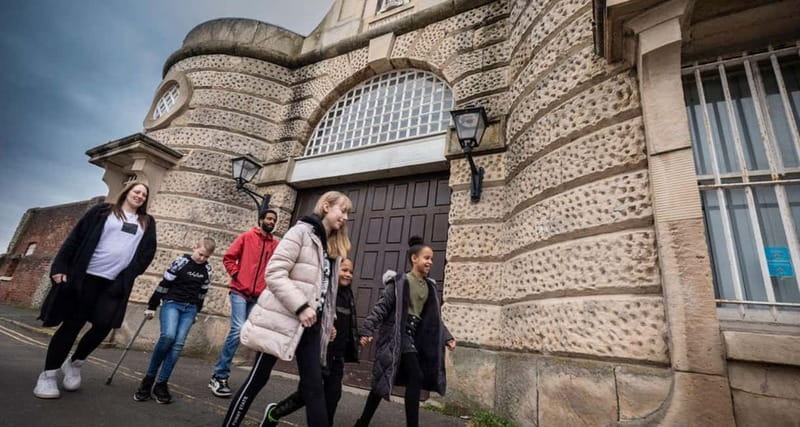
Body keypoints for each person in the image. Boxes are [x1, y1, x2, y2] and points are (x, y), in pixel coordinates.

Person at [221, 191, 352, 427]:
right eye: (342, 210)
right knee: (258, 379)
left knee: (314, 388)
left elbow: (324, 291)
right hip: (281, 319)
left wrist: (329, 320)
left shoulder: (332, 250)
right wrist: (300, 306)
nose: (345, 216)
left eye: (347, 213)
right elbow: (274, 273)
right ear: (325, 206)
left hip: (311, 326)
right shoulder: (300, 232)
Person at [34, 181, 157, 399]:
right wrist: (60, 266)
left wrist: (128, 276)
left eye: (144, 195)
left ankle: (75, 363)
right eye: (136, 191)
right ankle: (48, 376)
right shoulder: (102, 212)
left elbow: (147, 253)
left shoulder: (146, 222)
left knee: (104, 326)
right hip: (85, 278)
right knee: (71, 326)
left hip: (114, 283)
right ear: (126, 192)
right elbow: (75, 238)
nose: (140, 196)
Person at [354, 236, 456, 427]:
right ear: (414, 259)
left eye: (431, 259)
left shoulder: (430, 287)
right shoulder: (399, 282)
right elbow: (381, 308)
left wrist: (447, 337)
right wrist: (367, 329)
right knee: (415, 376)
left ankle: (362, 423)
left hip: (414, 337)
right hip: (396, 335)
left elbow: (433, 319)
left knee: (380, 385)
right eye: (426, 258)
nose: (430, 262)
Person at [260, 258, 359, 427]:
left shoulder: (348, 295)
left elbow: (350, 323)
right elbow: (315, 315)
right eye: (344, 270)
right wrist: (326, 327)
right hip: (321, 353)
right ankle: (274, 413)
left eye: (350, 271)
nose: (348, 274)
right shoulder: (326, 293)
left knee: (333, 395)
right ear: (334, 272)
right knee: (307, 393)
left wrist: (358, 337)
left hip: (338, 355)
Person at [133, 236, 216, 404]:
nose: (202, 259)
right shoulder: (180, 262)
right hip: (172, 304)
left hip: (190, 309)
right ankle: (148, 380)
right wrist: (152, 306)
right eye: (200, 254)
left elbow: (201, 294)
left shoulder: (207, 270)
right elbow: (164, 284)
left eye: (206, 257)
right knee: (168, 336)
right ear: (194, 247)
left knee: (177, 346)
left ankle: (161, 384)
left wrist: (196, 313)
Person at [209, 209, 279, 398]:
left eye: (274, 220)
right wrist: (236, 275)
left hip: (258, 296)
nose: (271, 222)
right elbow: (229, 257)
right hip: (239, 291)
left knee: (247, 332)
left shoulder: (275, 244)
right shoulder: (247, 237)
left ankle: (221, 373)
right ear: (261, 220)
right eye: (269, 218)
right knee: (238, 328)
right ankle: (219, 375)